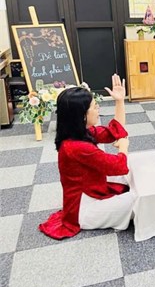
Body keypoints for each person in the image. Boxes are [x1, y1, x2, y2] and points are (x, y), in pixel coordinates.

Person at [39, 75, 135, 239]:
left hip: (88, 195)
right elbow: (119, 166)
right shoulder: (77, 147)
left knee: (133, 174)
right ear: (83, 115)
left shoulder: (79, 134)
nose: (98, 109)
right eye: (94, 107)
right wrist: (124, 146)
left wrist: (119, 101)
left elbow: (114, 131)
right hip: (85, 211)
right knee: (139, 198)